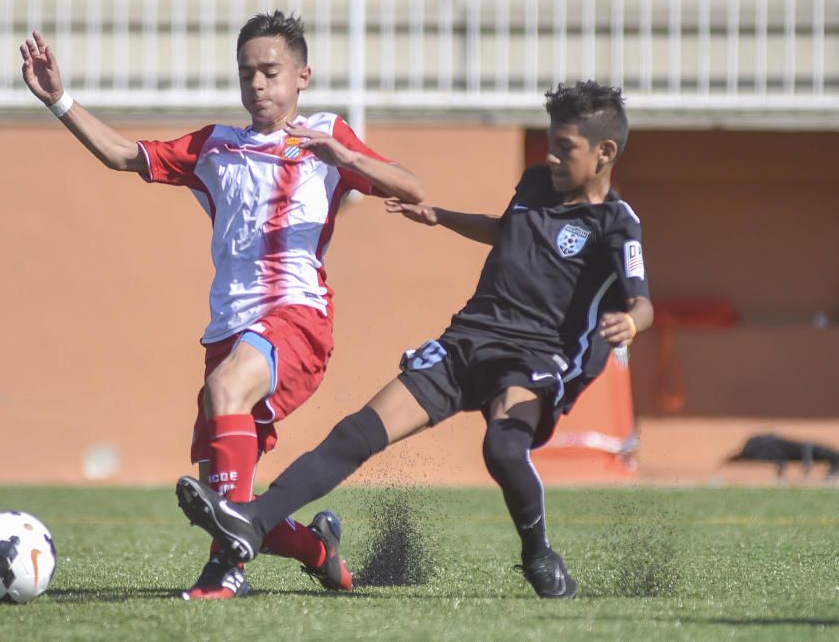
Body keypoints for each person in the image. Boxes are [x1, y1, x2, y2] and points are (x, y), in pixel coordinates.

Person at [174, 80, 654, 599]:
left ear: (605, 153)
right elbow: (509, 229)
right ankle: (251, 521)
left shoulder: (616, 223)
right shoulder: (537, 183)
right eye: (551, 143)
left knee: (503, 447)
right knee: (356, 434)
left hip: (533, 356)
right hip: (467, 340)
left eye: (566, 148)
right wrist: (441, 217)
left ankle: (537, 553)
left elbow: (641, 298)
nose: (552, 156)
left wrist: (631, 322)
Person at [19, 11, 424, 600]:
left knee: (227, 394)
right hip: (228, 331)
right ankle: (318, 549)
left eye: (271, 71)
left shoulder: (324, 136)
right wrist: (59, 100)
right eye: (246, 73)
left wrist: (345, 156)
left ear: (302, 76)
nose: (257, 84)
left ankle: (224, 572)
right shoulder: (216, 145)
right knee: (222, 497)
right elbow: (122, 155)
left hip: (297, 318)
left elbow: (412, 188)